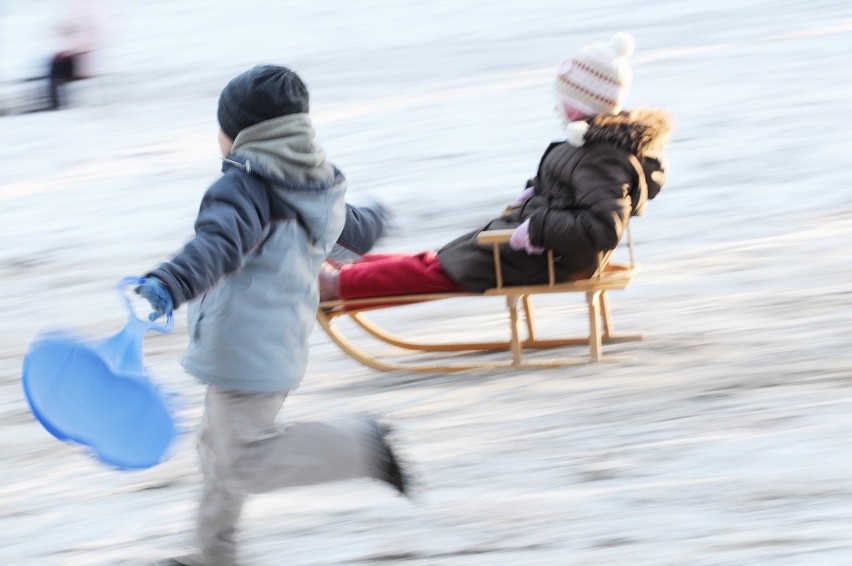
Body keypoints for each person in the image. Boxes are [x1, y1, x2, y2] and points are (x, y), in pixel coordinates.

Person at [134, 65, 409, 566]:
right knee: (219, 454)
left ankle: (362, 446)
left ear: (242, 134)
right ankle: (211, 555)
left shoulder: (243, 187)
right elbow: (354, 234)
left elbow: (217, 245)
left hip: (242, 349)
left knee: (241, 461)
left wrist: (168, 284)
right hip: (275, 345)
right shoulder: (316, 186)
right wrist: (379, 217)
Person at [319, 33, 672, 302]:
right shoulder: (590, 146)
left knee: (446, 269)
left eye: (562, 102)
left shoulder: (601, 156)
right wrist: (536, 191)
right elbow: (569, 189)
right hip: (540, 246)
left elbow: (604, 226)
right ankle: (351, 269)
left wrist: (539, 226)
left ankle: (340, 284)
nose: (557, 110)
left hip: (551, 256)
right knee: (441, 259)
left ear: (580, 105)